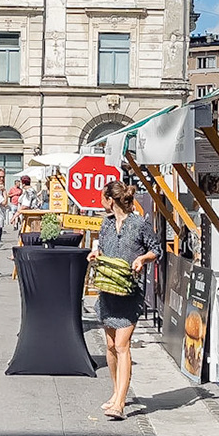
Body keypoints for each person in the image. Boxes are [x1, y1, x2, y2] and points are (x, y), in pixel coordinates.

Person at [90, 180, 161, 420]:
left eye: (103, 196)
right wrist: (96, 254)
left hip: (130, 291)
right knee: (111, 345)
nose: (101, 200)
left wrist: (142, 259)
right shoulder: (107, 223)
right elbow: (102, 247)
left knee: (122, 345)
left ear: (111, 200)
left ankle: (120, 403)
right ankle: (115, 392)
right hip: (108, 289)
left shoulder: (139, 224)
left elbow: (156, 249)